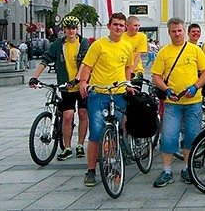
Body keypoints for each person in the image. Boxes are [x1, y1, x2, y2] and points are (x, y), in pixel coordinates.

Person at [76, 12, 134, 187]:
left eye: (121, 25)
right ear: (109, 26)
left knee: (115, 131)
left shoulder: (127, 46)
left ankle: (112, 164)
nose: (118, 28)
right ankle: (91, 170)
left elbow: (127, 68)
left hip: (118, 93)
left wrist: (128, 84)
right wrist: (84, 82)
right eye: (115, 24)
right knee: (96, 133)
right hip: (99, 93)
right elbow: (87, 66)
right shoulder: (98, 45)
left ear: (125, 28)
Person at [151, 17, 205, 187]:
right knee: (169, 136)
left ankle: (187, 168)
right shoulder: (164, 52)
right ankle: (167, 171)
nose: (177, 34)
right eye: (173, 31)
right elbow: (156, 75)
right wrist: (166, 89)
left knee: (192, 136)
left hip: (193, 101)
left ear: (184, 31)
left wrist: (195, 86)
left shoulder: (194, 50)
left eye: (179, 31)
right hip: (173, 102)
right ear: (169, 33)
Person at [29, 15, 91, 160]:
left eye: (74, 28)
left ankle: (80, 144)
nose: (71, 31)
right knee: (68, 116)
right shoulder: (58, 44)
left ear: (77, 29)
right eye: (68, 28)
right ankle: (68, 147)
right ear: (64, 29)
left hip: (81, 85)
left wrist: (77, 79)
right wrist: (35, 77)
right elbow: (45, 59)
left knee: (83, 114)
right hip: (65, 86)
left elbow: (86, 62)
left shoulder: (83, 43)